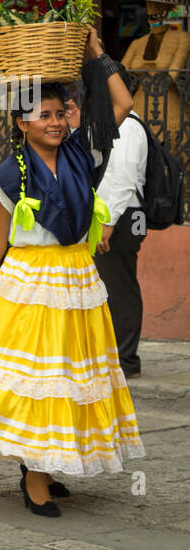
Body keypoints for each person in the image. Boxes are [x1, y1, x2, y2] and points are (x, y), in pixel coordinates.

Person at [0, 31, 144, 517]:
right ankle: (36, 476)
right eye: (44, 116)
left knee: (68, 377)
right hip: (29, 286)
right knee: (40, 380)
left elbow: (123, 101)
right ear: (22, 123)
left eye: (60, 114)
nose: (56, 123)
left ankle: (41, 463)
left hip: (77, 280)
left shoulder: (83, 153)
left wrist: (95, 52)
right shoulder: (7, 176)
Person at [93, 108, 149, 379]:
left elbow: (125, 179)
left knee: (120, 285)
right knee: (112, 283)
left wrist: (108, 223)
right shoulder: (113, 123)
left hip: (125, 216)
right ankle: (115, 355)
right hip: (123, 215)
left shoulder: (126, 125)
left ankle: (126, 360)